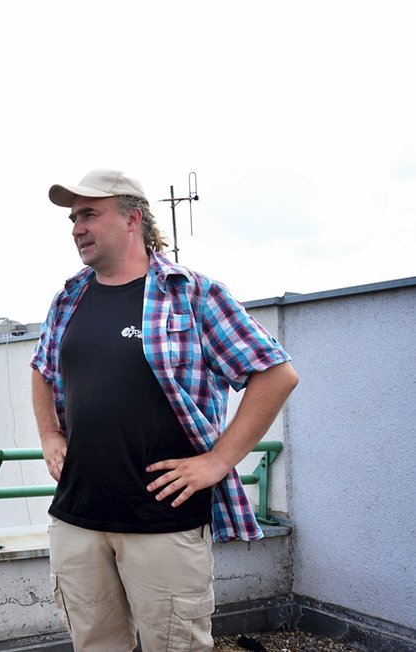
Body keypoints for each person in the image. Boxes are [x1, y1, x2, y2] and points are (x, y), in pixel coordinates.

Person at [30, 169, 299, 651]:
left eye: (89, 214)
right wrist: (50, 436)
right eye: (73, 218)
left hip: (164, 523)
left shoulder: (191, 293)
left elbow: (276, 374)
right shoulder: (70, 296)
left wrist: (218, 461)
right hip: (77, 519)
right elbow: (42, 369)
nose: (76, 228)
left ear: (133, 218)